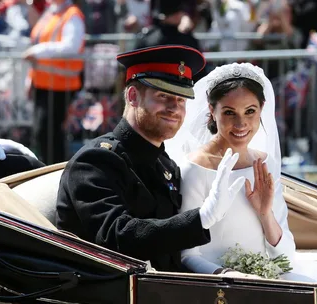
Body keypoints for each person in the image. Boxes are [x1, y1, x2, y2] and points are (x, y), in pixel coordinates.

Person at [56, 45, 246, 272]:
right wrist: (202, 218)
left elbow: (172, 254)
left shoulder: (166, 165)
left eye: (181, 100)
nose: (174, 108)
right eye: (163, 96)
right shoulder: (95, 162)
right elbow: (119, 238)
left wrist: (219, 273)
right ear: (133, 96)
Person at [165, 62, 296, 275]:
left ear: (262, 108)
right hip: (215, 285)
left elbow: (286, 258)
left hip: (266, 279)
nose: (240, 123)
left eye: (250, 111)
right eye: (229, 112)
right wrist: (228, 277)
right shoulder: (195, 168)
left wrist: (265, 214)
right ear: (212, 110)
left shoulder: (265, 164)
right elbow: (187, 255)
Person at [23, 0, 85, 165]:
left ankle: (55, 173)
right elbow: (37, 40)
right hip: (42, 84)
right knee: (42, 134)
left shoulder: (72, 14)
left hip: (60, 86)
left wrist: (39, 52)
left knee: (51, 135)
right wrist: (30, 79)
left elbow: (71, 46)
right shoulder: (51, 12)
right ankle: (45, 170)